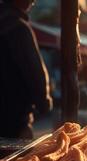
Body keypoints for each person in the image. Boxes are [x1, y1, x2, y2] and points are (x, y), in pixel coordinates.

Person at [0, 0, 52, 139]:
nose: (33, 1)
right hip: (14, 120)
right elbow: (34, 71)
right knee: (18, 159)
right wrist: (44, 102)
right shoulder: (18, 28)